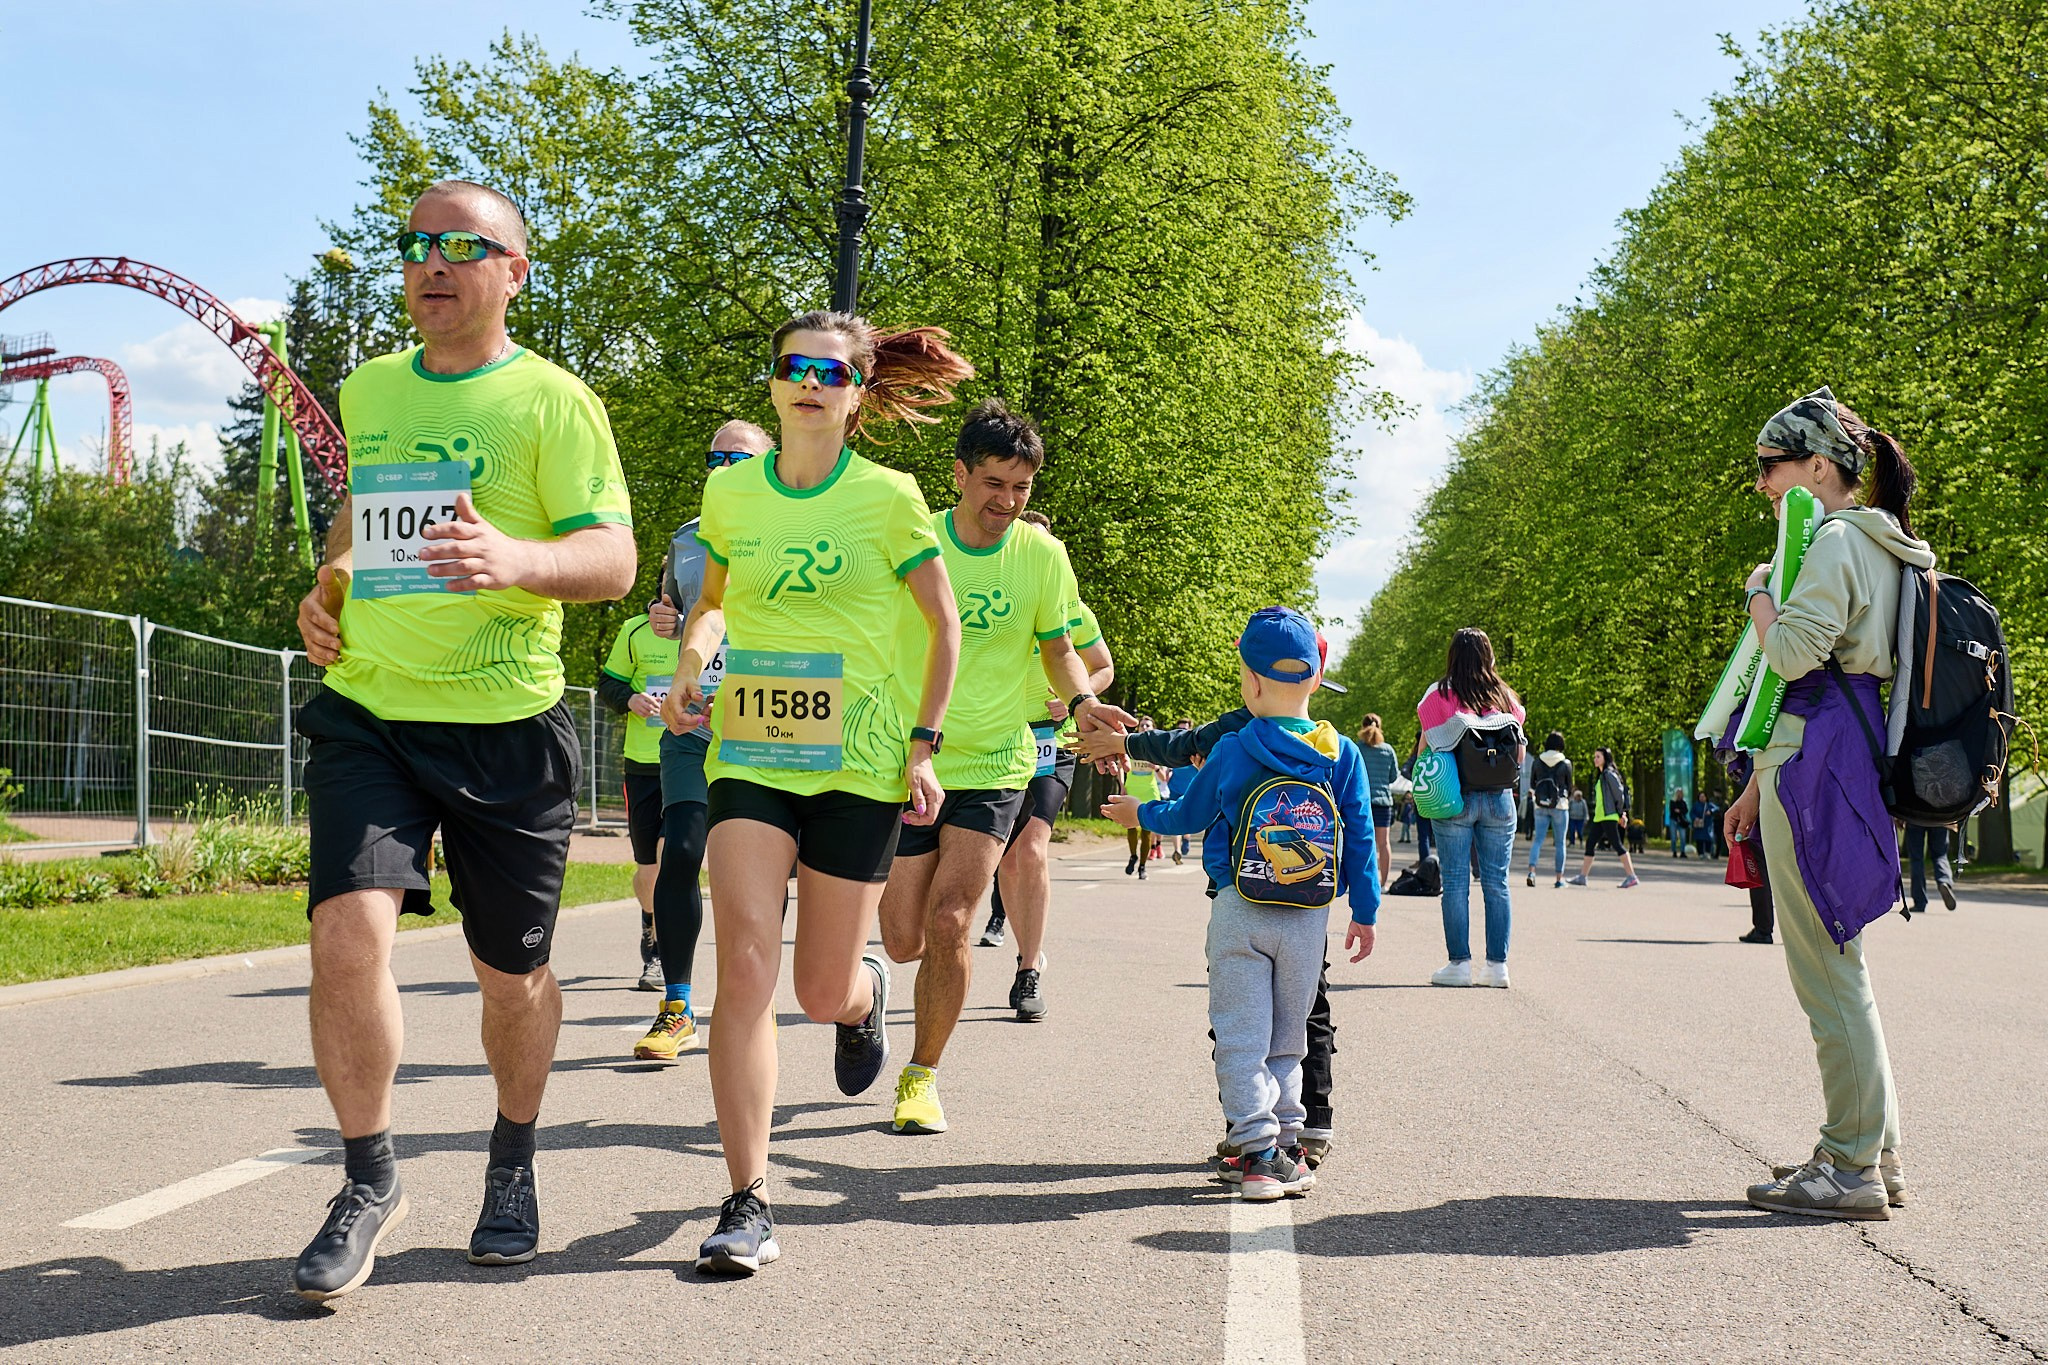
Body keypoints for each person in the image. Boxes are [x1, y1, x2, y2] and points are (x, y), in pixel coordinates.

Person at [288, 180, 637, 1300]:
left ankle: (513, 1159)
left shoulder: (556, 402)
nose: (432, 262)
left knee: (511, 978)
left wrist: (517, 560)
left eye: (461, 245)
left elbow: (613, 560)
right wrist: (327, 584)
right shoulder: (373, 387)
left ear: (513, 272)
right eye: (416, 244)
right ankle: (367, 1177)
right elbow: (361, 517)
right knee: (347, 938)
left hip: (504, 727)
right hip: (372, 713)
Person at [663, 309, 970, 1274]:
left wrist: (923, 745)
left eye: (830, 373)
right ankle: (747, 1197)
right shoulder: (733, 494)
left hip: (859, 764)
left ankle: (864, 995)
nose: (809, 383)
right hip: (751, 756)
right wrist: (690, 665)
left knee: (817, 987)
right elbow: (714, 604)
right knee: (745, 967)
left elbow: (945, 625)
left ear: (856, 392)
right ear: (772, 383)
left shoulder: (888, 497)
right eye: (794, 367)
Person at [876, 399, 1128, 1137]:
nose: (1007, 501)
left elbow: (1059, 647)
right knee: (903, 940)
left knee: (953, 917)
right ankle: (866, 993)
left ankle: (921, 1075)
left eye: (1021, 488)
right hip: (910, 757)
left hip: (996, 759)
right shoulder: (915, 541)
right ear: (960, 474)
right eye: (994, 483)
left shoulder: (1042, 556)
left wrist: (1083, 702)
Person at [1725, 385, 1932, 1219]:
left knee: (1824, 967)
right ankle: (1877, 1153)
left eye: (1771, 465)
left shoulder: (1835, 541)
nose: (1763, 482)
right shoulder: (1884, 542)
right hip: (1840, 751)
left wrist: (1758, 592)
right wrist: (1753, 782)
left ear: (1818, 466)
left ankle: (1849, 1164)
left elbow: (1794, 655)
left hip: (1813, 762)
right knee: (1842, 957)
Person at [1101, 606, 1378, 1199]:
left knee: (1240, 1034)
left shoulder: (1232, 747)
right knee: (1288, 1038)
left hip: (1239, 907)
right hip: (1308, 917)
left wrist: (1139, 813)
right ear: (1315, 677)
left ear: (1251, 682)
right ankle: (1286, 1144)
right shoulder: (1343, 755)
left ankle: (1256, 1152)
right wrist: (1365, 912)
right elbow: (1359, 838)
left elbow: (1188, 814)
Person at [635, 419, 775, 1061]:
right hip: (693, 721)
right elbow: (675, 610)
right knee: (681, 852)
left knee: (763, 872)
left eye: (738, 459)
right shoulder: (686, 538)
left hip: (769, 722)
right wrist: (662, 616)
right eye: (715, 458)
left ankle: (769, 999)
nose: (723, 468)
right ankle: (677, 1006)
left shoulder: (798, 528)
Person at [984, 534, 1117, 998]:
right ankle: (1030, 951)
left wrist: (1077, 697)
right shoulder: (999, 597)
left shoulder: (1074, 611)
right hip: (1001, 740)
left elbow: (1103, 666)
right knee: (1006, 858)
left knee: (1031, 849)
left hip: (1051, 742)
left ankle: (1028, 971)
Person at [1419, 628, 1525, 989]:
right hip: (1499, 798)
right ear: (1488, 656)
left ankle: (1459, 964)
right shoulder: (1505, 695)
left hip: (1454, 798)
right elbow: (1519, 752)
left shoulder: (1439, 694)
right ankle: (1497, 967)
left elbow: (1427, 749)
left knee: (1455, 882)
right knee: (1497, 882)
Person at [598, 611, 681, 992]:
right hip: (644, 764)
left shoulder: (720, 624)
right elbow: (608, 684)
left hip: (693, 761)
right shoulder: (635, 630)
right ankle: (649, 918)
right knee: (648, 869)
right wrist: (629, 699)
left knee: (671, 857)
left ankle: (662, 956)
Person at [1569, 749, 1639, 888]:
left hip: (1609, 815)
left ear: (1605, 758)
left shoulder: (1609, 774)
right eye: (1595, 756)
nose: (1595, 759)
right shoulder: (1602, 775)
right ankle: (1582, 877)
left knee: (1617, 845)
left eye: (1598, 757)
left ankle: (1632, 877)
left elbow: (1619, 794)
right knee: (1590, 844)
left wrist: (1622, 813)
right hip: (1600, 817)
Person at [1356, 714, 1399, 890]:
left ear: (1362, 726)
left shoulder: (1358, 748)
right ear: (1379, 727)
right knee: (1384, 843)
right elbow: (1393, 777)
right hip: (1383, 802)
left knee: (1365, 843)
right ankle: (1383, 883)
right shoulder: (1388, 750)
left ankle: (1367, 883)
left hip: (1363, 802)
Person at [1527, 731, 1572, 888]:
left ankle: (1532, 872)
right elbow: (1569, 786)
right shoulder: (1565, 763)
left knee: (1538, 840)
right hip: (1560, 805)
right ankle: (1559, 879)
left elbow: (1532, 783)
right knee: (1560, 843)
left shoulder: (1537, 761)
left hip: (1540, 804)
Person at [1904, 825, 1957, 915]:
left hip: (1915, 819)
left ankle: (1920, 903)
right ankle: (1944, 881)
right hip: (1939, 819)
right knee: (1940, 855)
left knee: (1916, 859)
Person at [1668, 789, 1691, 859]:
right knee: (1673, 837)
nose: (1679, 795)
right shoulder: (1672, 802)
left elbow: (1685, 810)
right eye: (1678, 793)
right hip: (1673, 820)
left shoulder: (1683, 803)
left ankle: (1682, 852)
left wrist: (1679, 811)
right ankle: (1674, 851)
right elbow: (1672, 810)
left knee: (1683, 837)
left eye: (1681, 794)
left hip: (1681, 821)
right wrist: (1678, 810)